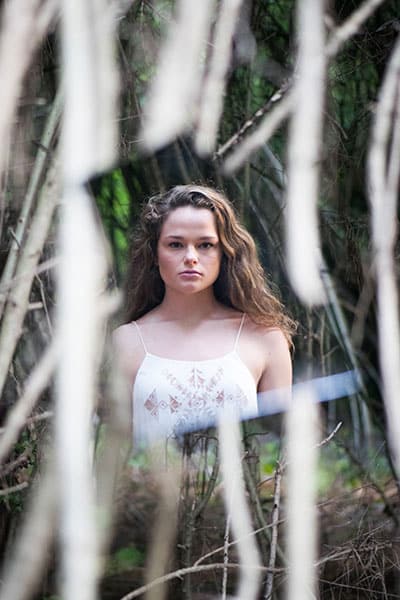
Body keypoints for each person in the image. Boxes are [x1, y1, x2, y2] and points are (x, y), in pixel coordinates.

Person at [113, 184, 295, 446]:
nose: (190, 257)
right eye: (175, 244)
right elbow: (114, 456)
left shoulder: (265, 338)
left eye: (205, 245)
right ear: (155, 253)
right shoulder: (125, 342)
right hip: (149, 487)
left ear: (224, 253)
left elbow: (281, 453)